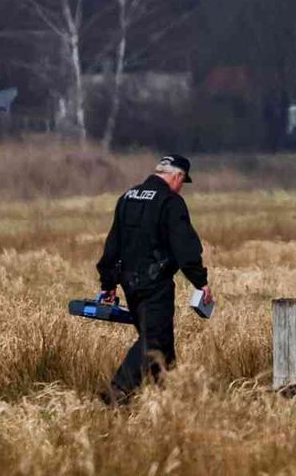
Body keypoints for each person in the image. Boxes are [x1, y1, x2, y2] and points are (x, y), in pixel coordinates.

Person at [96, 154, 211, 404]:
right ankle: (118, 391)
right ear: (177, 176)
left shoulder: (127, 197)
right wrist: (200, 281)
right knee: (154, 340)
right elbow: (185, 247)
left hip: (129, 283)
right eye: (183, 181)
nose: (182, 187)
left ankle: (166, 399)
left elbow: (113, 243)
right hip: (154, 284)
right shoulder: (170, 202)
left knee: (163, 346)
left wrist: (108, 284)